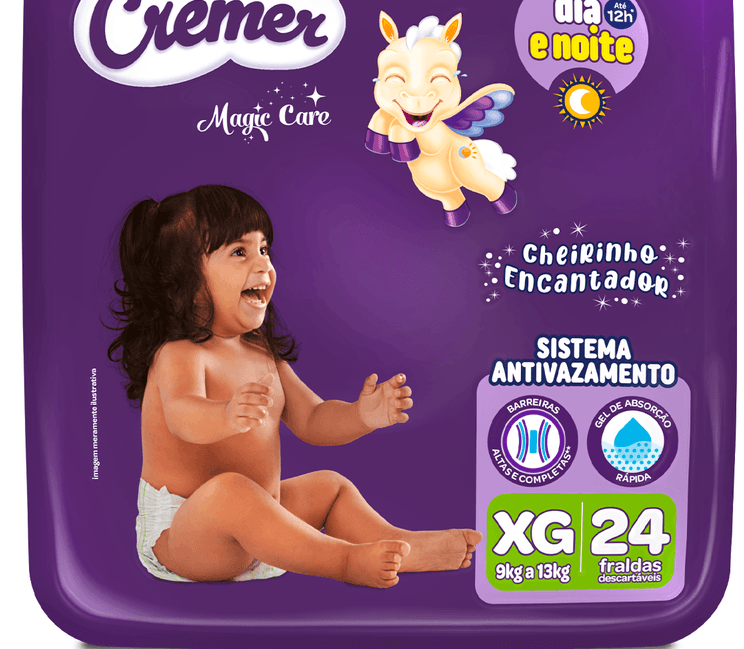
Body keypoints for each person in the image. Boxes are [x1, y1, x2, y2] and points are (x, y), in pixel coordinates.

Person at [109, 184, 481, 588]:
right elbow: (182, 416)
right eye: (240, 252)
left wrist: (361, 415)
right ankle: (343, 561)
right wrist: (225, 415)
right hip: (187, 536)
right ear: (183, 281)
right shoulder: (181, 354)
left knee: (331, 487)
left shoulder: (262, 353)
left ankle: (403, 546)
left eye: (264, 249)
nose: (263, 265)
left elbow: (313, 419)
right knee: (230, 491)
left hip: (261, 528)